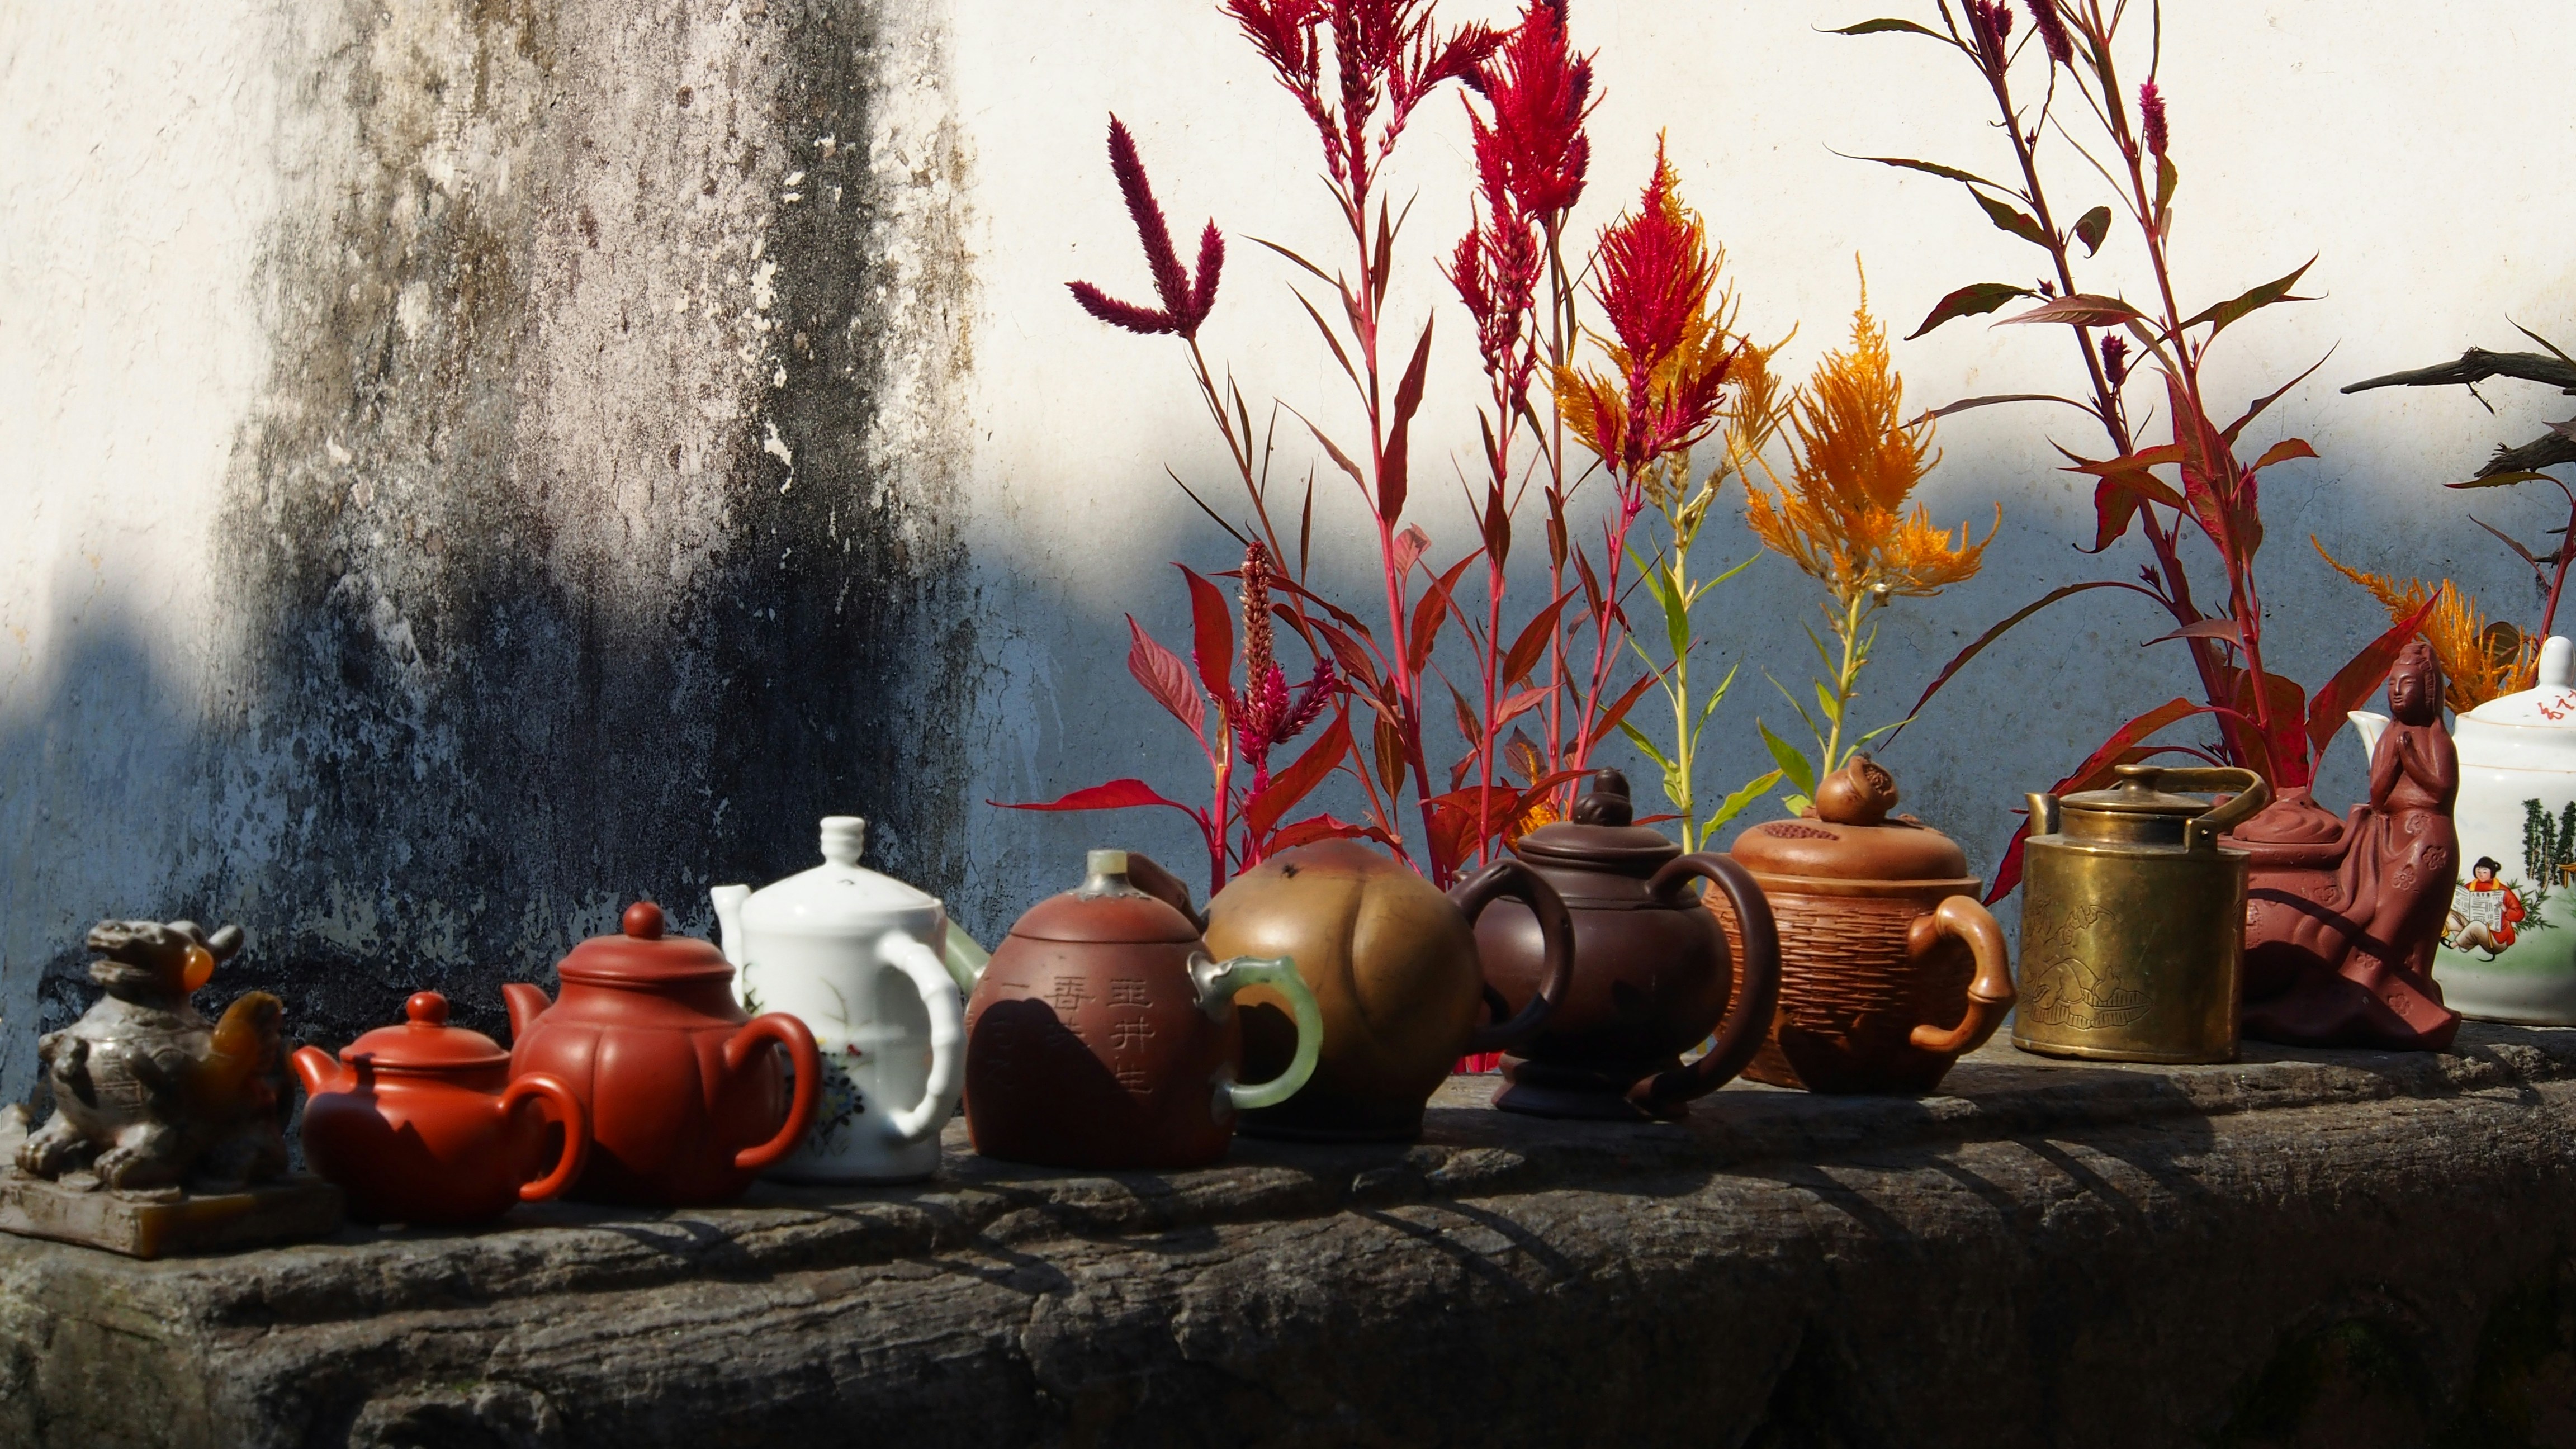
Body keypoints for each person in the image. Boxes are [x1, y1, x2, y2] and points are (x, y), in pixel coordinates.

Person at [2445, 855, 2526, 959]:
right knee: (2449, 914)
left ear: (2491, 872)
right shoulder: (2470, 887)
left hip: (2496, 940)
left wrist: (2506, 910)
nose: (2481, 875)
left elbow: (2520, 914)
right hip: (2474, 931)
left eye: (2484, 872)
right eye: (2478, 871)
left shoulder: (2502, 891)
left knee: (2477, 925)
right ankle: (2465, 943)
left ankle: (2455, 944)